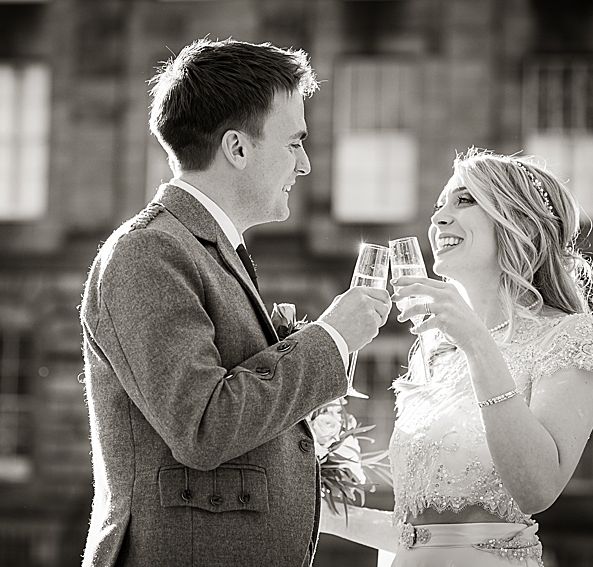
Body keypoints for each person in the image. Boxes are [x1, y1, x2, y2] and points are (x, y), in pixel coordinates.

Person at [79, 38, 392, 567]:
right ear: (238, 149)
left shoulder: (205, 249)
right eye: (294, 143)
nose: (308, 164)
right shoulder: (148, 251)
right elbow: (203, 426)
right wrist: (332, 340)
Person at [319, 148, 593, 566]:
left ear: (518, 220)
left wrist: (475, 340)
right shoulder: (432, 349)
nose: (438, 218)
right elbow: (418, 535)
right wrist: (317, 506)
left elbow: (537, 489)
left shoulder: (571, 337)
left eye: (463, 200)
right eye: (438, 206)